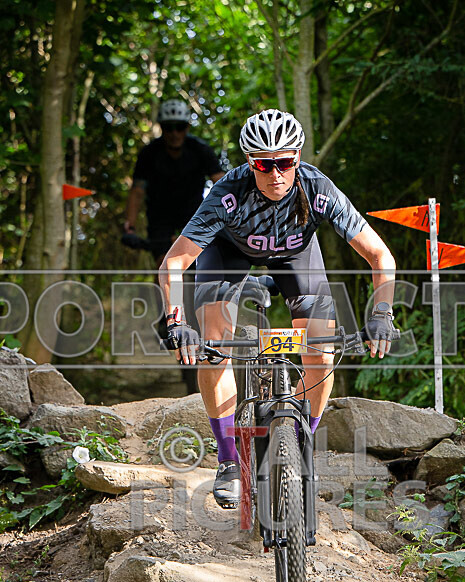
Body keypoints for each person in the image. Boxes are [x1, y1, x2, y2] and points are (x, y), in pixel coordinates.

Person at [158, 108, 400, 508]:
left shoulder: (317, 188)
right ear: (249, 162)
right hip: (228, 253)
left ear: (298, 157)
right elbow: (175, 261)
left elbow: (379, 254)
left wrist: (382, 315)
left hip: (295, 255)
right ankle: (229, 458)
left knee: (320, 353)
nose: (276, 174)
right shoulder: (228, 194)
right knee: (215, 346)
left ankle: (299, 444)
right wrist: (176, 321)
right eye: (264, 164)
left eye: (285, 162)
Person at [124, 98, 225, 262]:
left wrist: (230, 217)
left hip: (193, 212)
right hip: (160, 215)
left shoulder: (200, 150)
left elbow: (221, 183)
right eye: (168, 128)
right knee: (165, 265)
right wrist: (130, 227)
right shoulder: (149, 154)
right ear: (161, 128)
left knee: (202, 265)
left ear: (187, 127)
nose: (174, 134)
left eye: (180, 127)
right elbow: (137, 191)